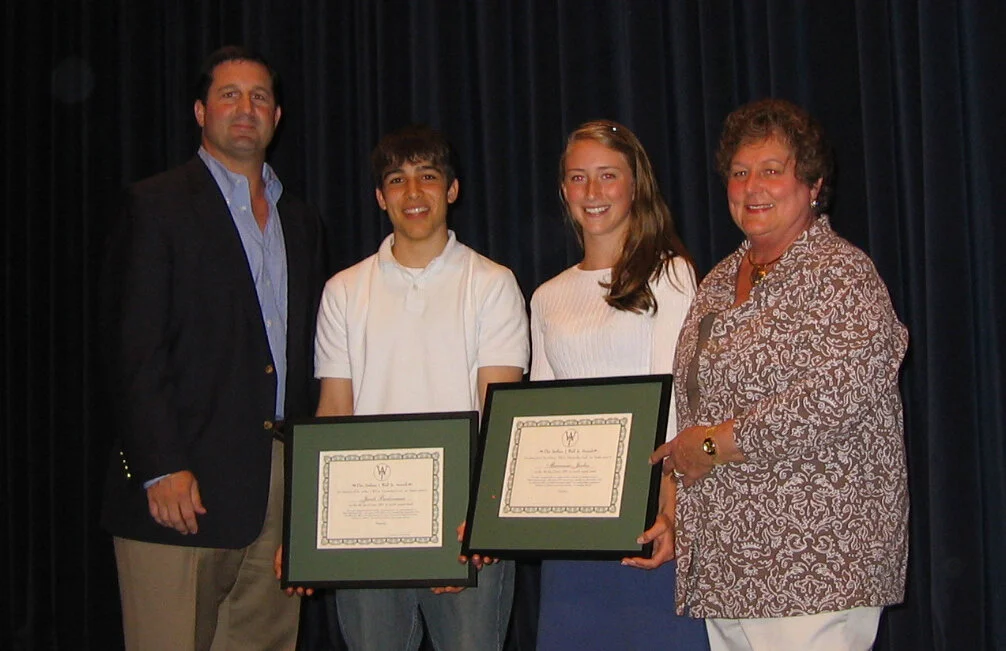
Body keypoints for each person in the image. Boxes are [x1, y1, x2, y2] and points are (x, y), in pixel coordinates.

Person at [652, 98, 909, 650]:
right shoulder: (718, 281)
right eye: (739, 172)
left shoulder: (842, 274)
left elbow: (835, 396)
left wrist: (714, 445)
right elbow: (696, 406)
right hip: (728, 562)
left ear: (813, 184)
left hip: (814, 561)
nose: (752, 187)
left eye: (771, 170)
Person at [101, 46, 325, 650]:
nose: (246, 108)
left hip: (277, 489)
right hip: (182, 487)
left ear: (277, 116)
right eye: (230, 95)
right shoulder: (156, 205)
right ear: (201, 112)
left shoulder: (301, 222)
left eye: (260, 97)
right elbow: (132, 348)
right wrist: (159, 465)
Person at [308, 124, 529, 650]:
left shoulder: (492, 283)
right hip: (366, 528)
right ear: (379, 197)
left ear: (451, 189)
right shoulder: (343, 291)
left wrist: (484, 523)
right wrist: (310, 532)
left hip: (463, 528)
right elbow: (333, 413)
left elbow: (499, 416)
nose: (413, 193)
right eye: (397, 180)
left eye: (427, 177)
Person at [530, 120, 709, 650]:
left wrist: (668, 508)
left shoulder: (671, 275)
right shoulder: (546, 296)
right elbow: (538, 419)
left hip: (648, 514)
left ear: (636, 185)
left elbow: (676, 402)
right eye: (578, 177)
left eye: (608, 175)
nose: (592, 191)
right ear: (564, 189)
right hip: (572, 521)